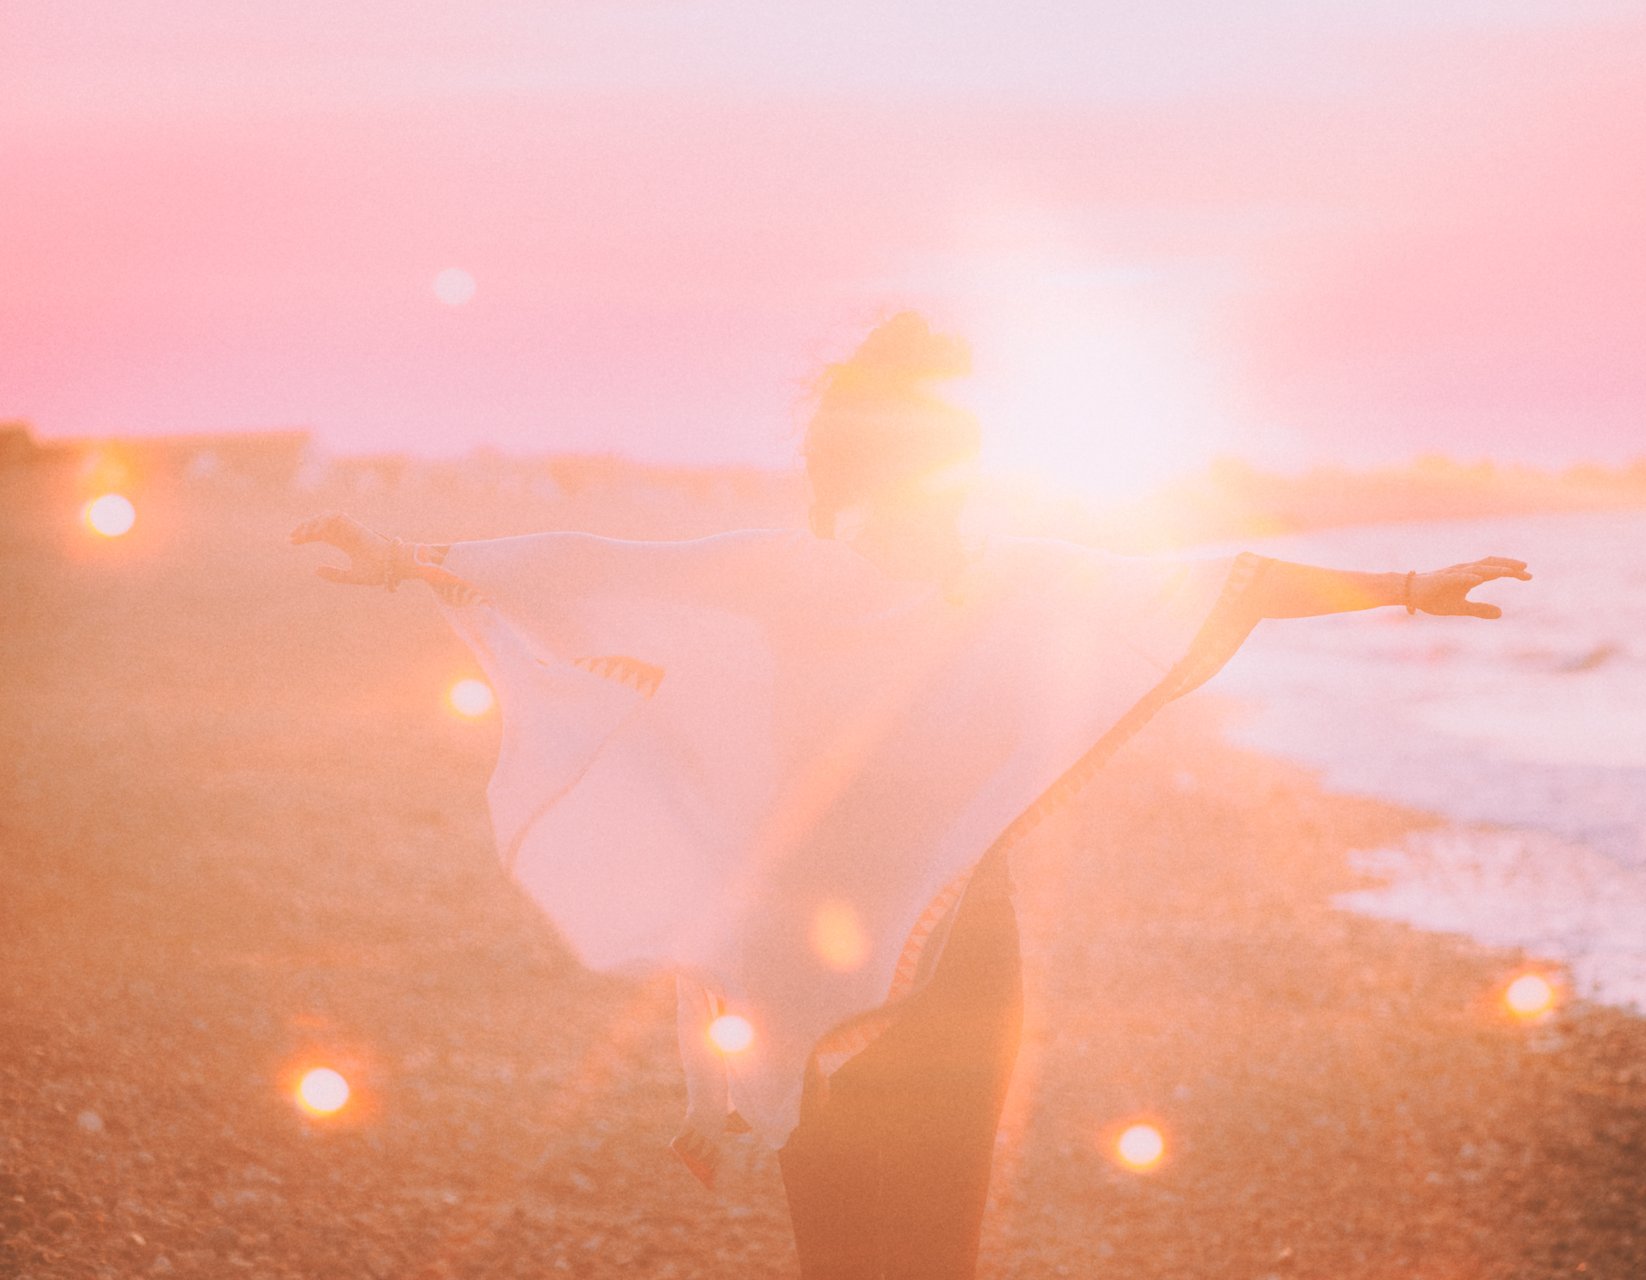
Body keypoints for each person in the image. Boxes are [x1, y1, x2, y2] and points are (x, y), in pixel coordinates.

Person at [289, 310, 1529, 1279]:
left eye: (949, 483)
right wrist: (404, 561)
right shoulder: (778, 574)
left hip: (956, 955)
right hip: (792, 957)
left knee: (935, 1250)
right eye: (910, 484)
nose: (933, 509)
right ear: (847, 483)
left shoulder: (1008, 580)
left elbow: (1226, 578)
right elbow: (593, 575)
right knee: (838, 1248)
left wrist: (1410, 585)